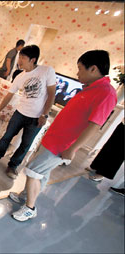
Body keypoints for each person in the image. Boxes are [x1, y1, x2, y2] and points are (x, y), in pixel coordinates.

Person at [9, 50, 117, 222]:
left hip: (62, 144)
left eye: (80, 69)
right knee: (41, 173)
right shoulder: (89, 88)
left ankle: (30, 208)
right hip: (53, 138)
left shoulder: (106, 93)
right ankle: (25, 196)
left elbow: (94, 125)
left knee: (33, 171)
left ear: (93, 69)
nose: (77, 73)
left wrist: (73, 149)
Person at [0, 45, 57, 180]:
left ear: (33, 59)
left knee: (25, 144)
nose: (20, 60)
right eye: (20, 57)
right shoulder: (20, 76)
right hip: (20, 113)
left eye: (23, 58)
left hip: (37, 117)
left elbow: (52, 94)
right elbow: (9, 95)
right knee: (7, 136)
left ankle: (13, 166)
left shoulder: (47, 71)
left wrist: (45, 114)